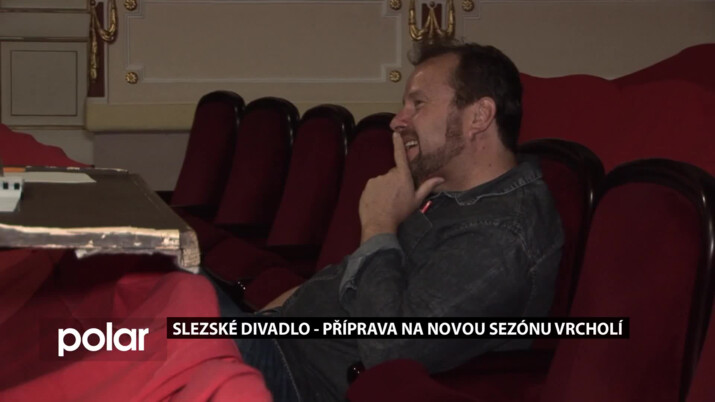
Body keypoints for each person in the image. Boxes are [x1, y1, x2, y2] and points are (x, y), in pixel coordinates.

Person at [219, 40, 564, 402]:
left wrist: (379, 225)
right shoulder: (445, 196)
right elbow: (346, 282)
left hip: (302, 381)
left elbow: (390, 349)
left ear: (479, 116)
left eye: (418, 104)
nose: (397, 121)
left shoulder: (500, 235)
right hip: (277, 345)